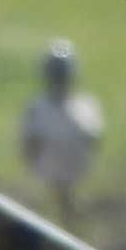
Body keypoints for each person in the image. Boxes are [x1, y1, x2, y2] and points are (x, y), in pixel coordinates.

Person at [17, 40, 104, 226]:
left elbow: (93, 141)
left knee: (70, 214)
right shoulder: (37, 109)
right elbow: (28, 146)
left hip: (76, 177)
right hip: (44, 179)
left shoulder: (84, 107)